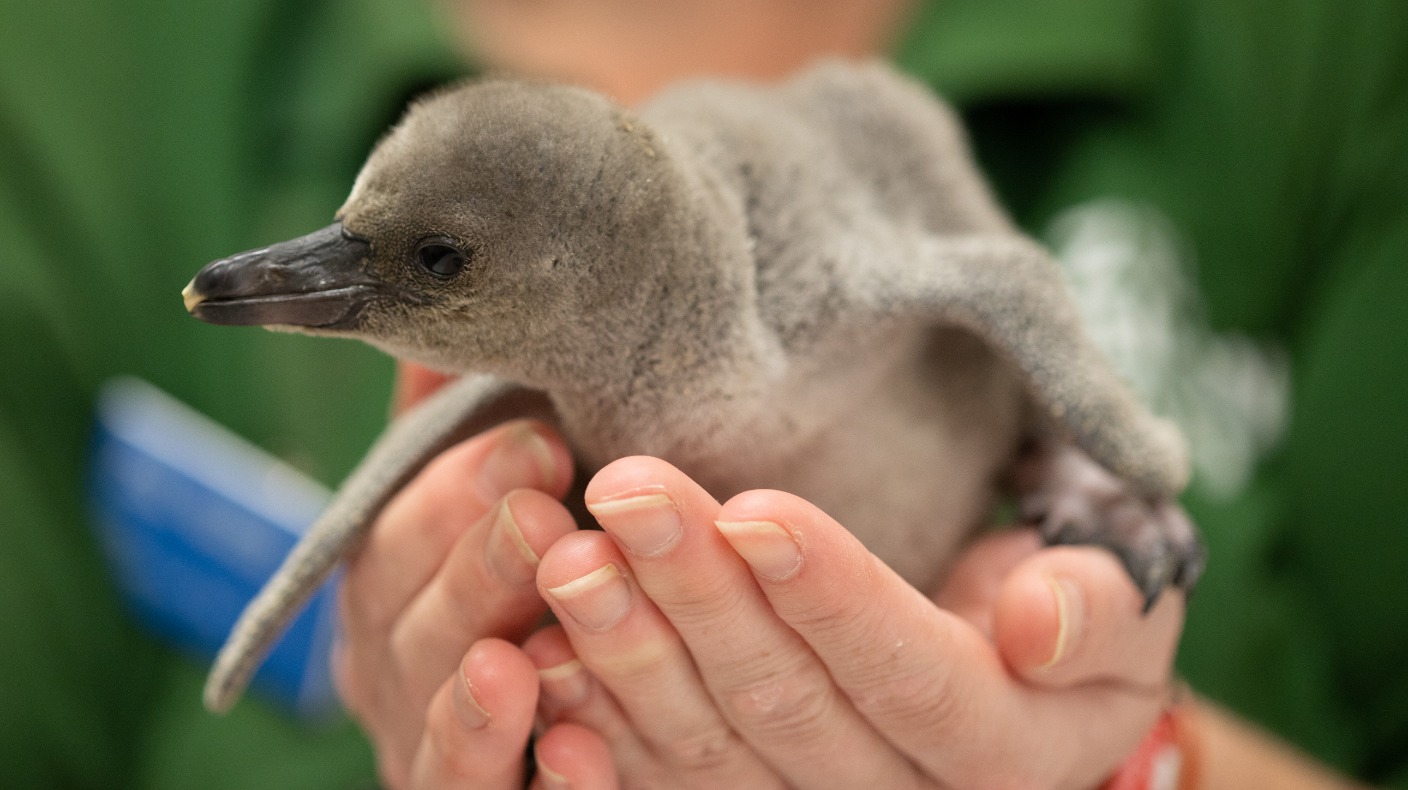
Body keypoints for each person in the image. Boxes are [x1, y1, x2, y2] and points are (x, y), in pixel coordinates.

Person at [1, 0, 1403, 788]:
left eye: (424, 262)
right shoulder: (83, 73)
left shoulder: (1316, 51)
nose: (302, 286)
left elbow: (1005, 284)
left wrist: (1130, 753)